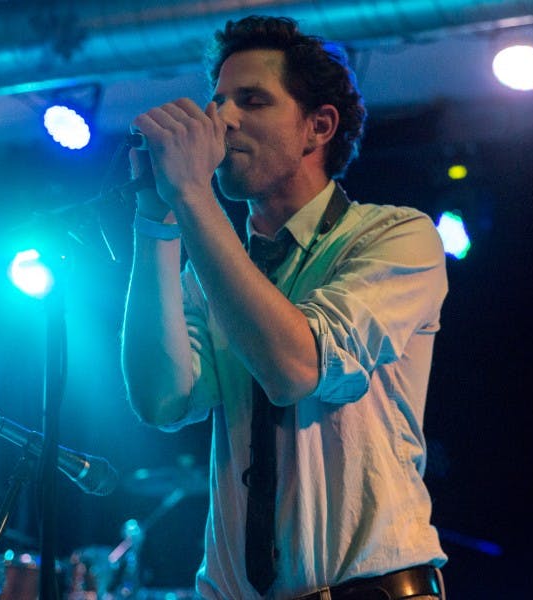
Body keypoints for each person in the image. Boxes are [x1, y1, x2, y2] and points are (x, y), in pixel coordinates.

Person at [120, 15, 448, 600]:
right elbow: (160, 398)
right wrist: (156, 218)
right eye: (217, 101)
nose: (222, 119)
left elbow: (295, 369)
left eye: (252, 100)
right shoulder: (214, 274)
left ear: (316, 128)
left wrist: (192, 193)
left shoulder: (397, 236)